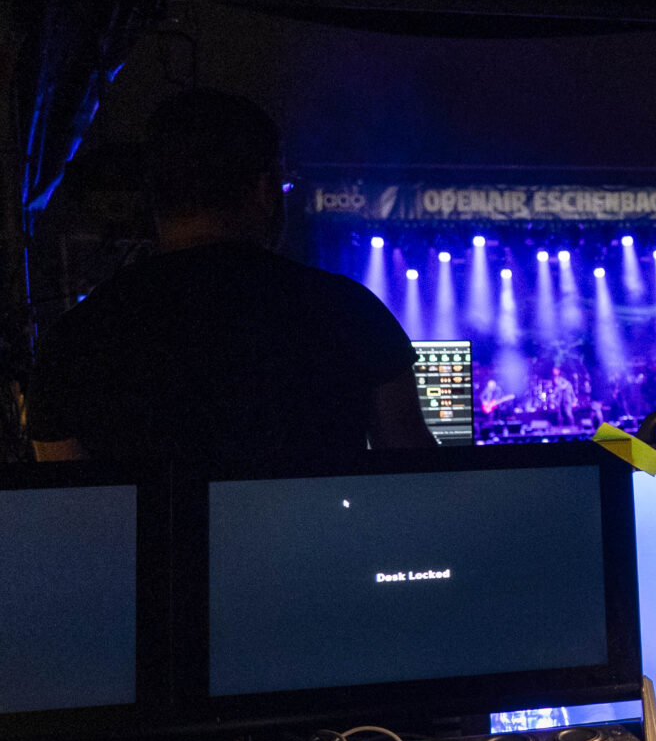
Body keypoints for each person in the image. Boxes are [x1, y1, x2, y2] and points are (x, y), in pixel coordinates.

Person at [25, 89, 432, 463]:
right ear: (263, 188)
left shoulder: (74, 338)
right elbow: (413, 470)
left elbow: (70, 504)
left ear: (153, 195)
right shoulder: (352, 312)